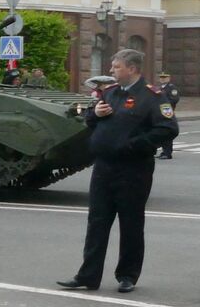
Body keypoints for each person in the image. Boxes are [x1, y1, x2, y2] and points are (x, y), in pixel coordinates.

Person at [57, 49, 178, 293]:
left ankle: (127, 275)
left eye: (116, 67)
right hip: (104, 168)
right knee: (97, 222)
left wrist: (133, 145)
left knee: (131, 223)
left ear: (132, 69)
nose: (111, 71)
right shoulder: (110, 93)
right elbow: (91, 120)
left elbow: (167, 129)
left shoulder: (153, 96)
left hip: (133, 170)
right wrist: (95, 114)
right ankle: (88, 276)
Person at [157, 71, 180, 159]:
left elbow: (175, 99)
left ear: (169, 78)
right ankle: (164, 151)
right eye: (161, 77)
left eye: (164, 77)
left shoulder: (171, 88)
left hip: (167, 112)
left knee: (167, 131)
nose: (162, 79)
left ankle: (167, 153)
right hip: (159, 112)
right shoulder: (159, 88)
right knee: (161, 132)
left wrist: (164, 104)